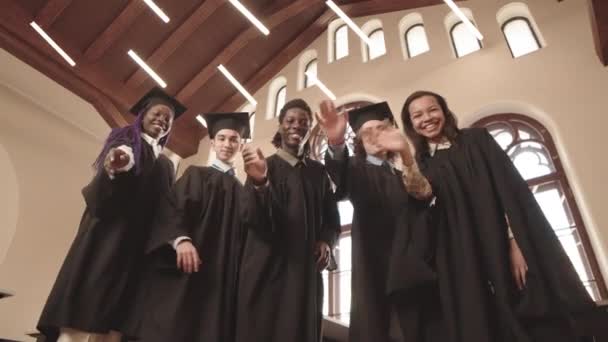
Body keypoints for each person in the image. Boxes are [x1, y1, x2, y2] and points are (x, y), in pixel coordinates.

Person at [401, 90, 595, 342]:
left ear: (444, 112)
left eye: (432, 110)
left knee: (528, 312)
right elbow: (422, 200)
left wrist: (516, 244)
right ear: (410, 123)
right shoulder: (422, 163)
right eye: (417, 115)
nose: (426, 118)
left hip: (501, 245)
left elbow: (508, 190)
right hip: (465, 257)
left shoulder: (476, 140)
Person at [37, 87, 186, 342]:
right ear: (143, 113)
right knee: (84, 309)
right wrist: (116, 165)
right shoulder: (126, 140)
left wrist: (178, 239)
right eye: (158, 113)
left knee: (115, 321)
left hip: (134, 250)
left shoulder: (165, 164)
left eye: (168, 119)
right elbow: (117, 163)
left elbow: (165, 208)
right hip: (105, 239)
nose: (162, 120)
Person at [318, 100, 440, 342]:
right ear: (359, 141)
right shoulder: (354, 168)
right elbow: (338, 179)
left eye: (380, 129)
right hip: (374, 264)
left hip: (413, 264)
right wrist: (335, 143)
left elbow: (424, 194)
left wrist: (406, 154)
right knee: (379, 326)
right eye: (366, 132)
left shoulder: (406, 169)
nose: (373, 136)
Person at [133, 112, 251, 342]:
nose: (227, 144)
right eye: (222, 138)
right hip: (188, 269)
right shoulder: (196, 174)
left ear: (241, 144)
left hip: (222, 279)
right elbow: (170, 209)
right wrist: (181, 240)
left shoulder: (244, 192)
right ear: (213, 143)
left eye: (233, 139)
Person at [235, 98, 341, 342]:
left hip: (305, 270)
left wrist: (326, 240)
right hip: (268, 268)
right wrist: (261, 182)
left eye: (303, 122)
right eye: (290, 120)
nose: (297, 126)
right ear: (280, 125)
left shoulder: (318, 172)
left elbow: (332, 218)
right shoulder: (264, 166)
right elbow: (250, 217)